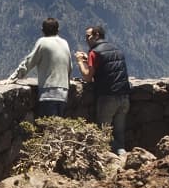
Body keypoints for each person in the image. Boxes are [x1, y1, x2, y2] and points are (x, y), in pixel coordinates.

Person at [74, 25, 131, 154]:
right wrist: (87, 59)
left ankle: (117, 155)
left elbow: (88, 77)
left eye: (88, 36)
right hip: (124, 96)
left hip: (108, 97)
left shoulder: (95, 52)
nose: (86, 39)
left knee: (103, 133)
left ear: (97, 35)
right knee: (119, 132)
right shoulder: (116, 49)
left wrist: (79, 62)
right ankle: (123, 159)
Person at [7, 17, 74, 117]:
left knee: (49, 128)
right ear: (58, 30)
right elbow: (70, 67)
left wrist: (13, 77)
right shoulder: (65, 43)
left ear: (42, 30)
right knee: (59, 128)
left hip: (48, 93)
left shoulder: (43, 42)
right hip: (63, 93)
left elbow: (29, 61)